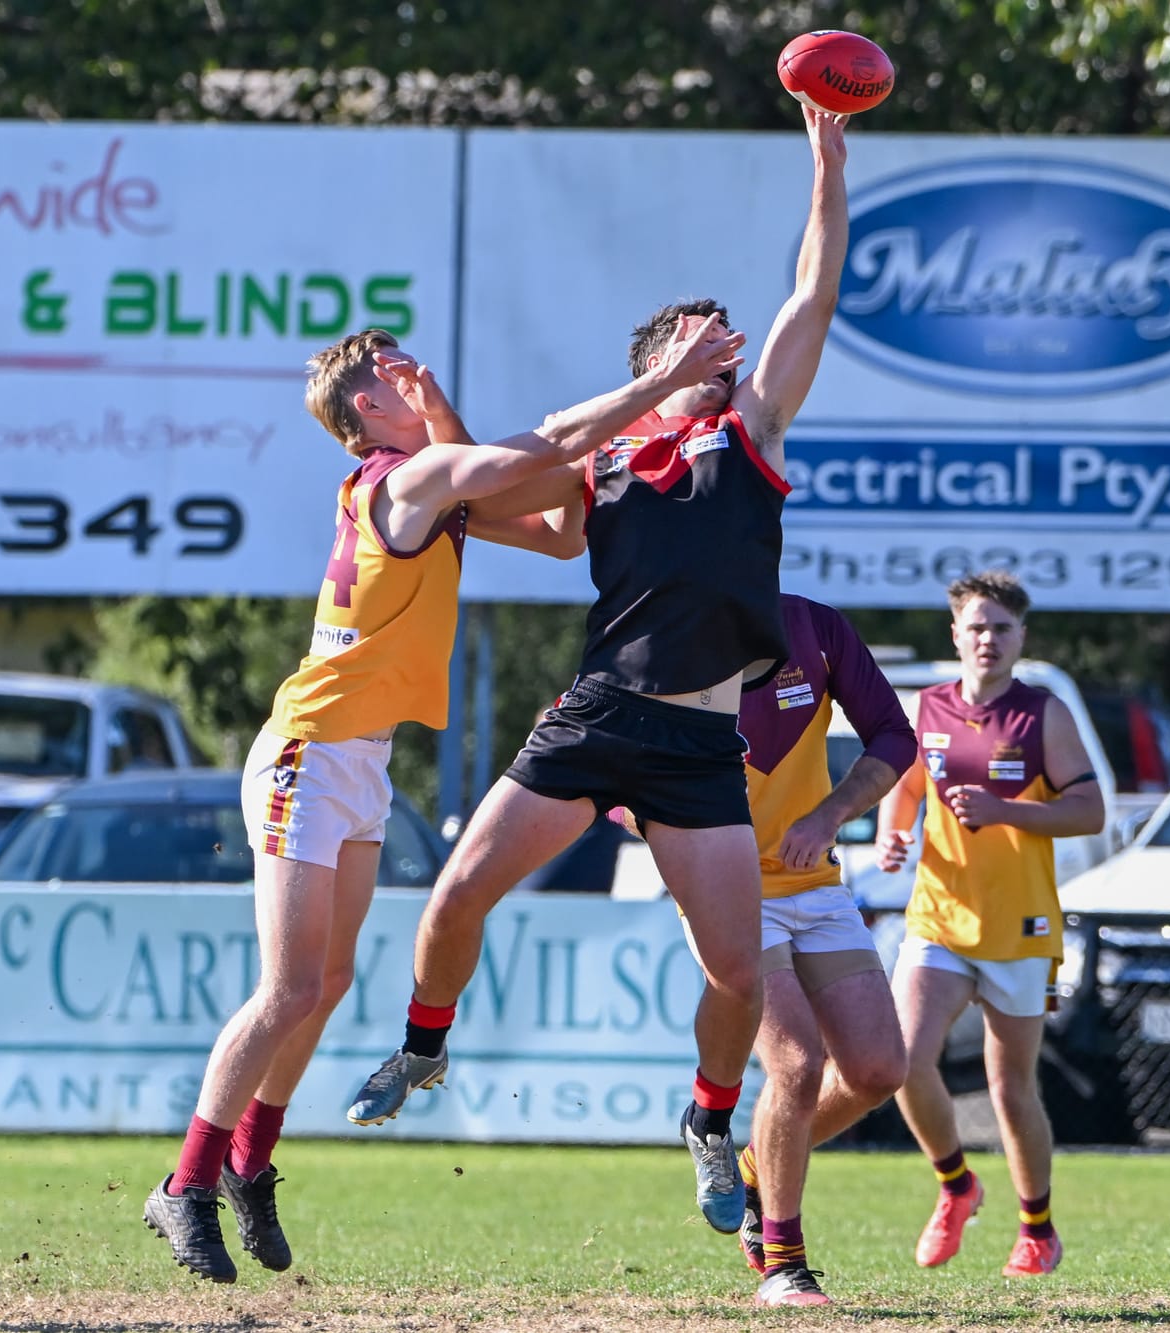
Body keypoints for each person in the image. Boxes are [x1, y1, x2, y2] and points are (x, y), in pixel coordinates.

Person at [141, 318, 743, 1284]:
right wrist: (657, 383)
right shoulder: (403, 478)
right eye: (394, 376)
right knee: (288, 986)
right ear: (366, 409)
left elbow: (560, 532)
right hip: (307, 750)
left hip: (359, 760)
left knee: (326, 983)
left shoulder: (425, 482)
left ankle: (250, 1161)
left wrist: (462, 415)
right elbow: (545, 448)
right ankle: (185, 1183)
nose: (414, 376)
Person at [345, 105, 853, 1241]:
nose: (724, 346)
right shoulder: (606, 457)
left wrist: (826, 164)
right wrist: (437, 416)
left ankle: (707, 1119)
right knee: (457, 895)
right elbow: (487, 481)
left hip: (700, 741)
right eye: (698, 338)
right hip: (598, 716)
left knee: (736, 973)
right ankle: (424, 1045)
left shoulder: (750, 434)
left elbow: (811, 296)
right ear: (656, 366)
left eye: (724, 338)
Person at [875, 571, 1106, 1279]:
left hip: (1019, 927)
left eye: (1002, 628)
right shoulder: (928, 707)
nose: (988, 639)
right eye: (976, 626)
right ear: (956, 634)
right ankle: (956, 1185)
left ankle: (1037, 1228)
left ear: (1021, 637)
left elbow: (1090, 811)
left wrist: (1005, 811)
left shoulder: (1043, 715)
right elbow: (904, 786)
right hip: (939, 917)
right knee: (902, 1061)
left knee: (1009, 1088)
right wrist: (892, 833)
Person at [718, 593, 914, 1307]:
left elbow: (894, 736)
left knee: (878, 1069)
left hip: (816, 885)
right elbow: (612, 777)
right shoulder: (669, 626)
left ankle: (751, 1166)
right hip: (728, 891)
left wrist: (829, 814)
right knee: (797, 1067)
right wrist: (675, 830)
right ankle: (783, 1263)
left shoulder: (816, 627)